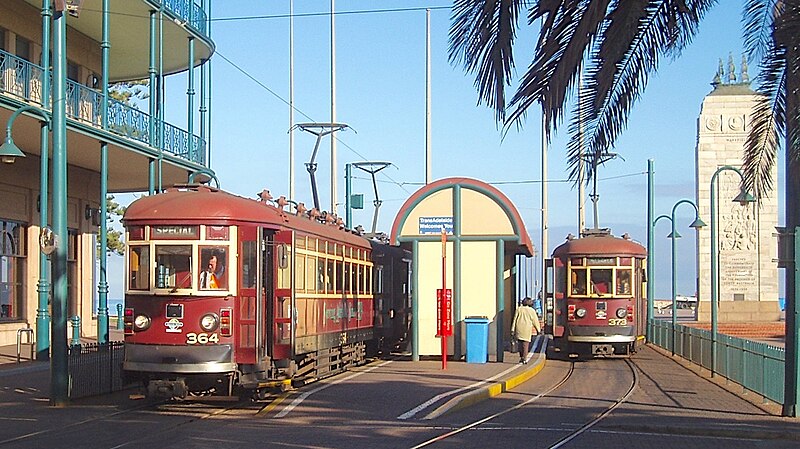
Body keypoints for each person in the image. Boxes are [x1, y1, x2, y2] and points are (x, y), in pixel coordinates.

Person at [511, 297, 542, 364]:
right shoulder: (531, 311)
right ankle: (524, 358)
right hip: (527, 329)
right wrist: (538, 330)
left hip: (519, 328)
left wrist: (512, 329)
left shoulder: (519, 309)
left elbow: (515, 320)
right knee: (525, 345)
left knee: (520, 344)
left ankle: (521, 356)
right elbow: (535, 321)